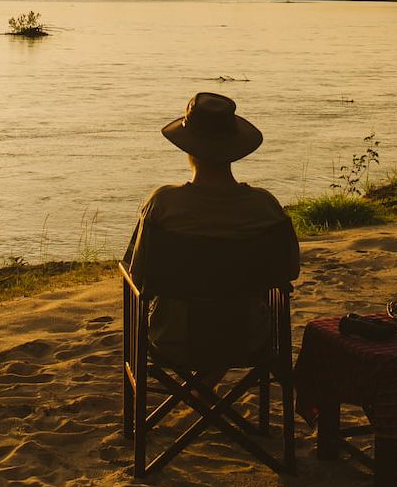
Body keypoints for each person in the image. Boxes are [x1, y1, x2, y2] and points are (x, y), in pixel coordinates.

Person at [124, 92, 300, 367]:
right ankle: (209, 392)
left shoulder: (162, 205)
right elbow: (289, 270)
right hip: (247, 340)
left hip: (175, 341)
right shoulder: (265, 207)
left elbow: (137, 273)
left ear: (188, 148)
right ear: (235, 148)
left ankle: (201, 391)